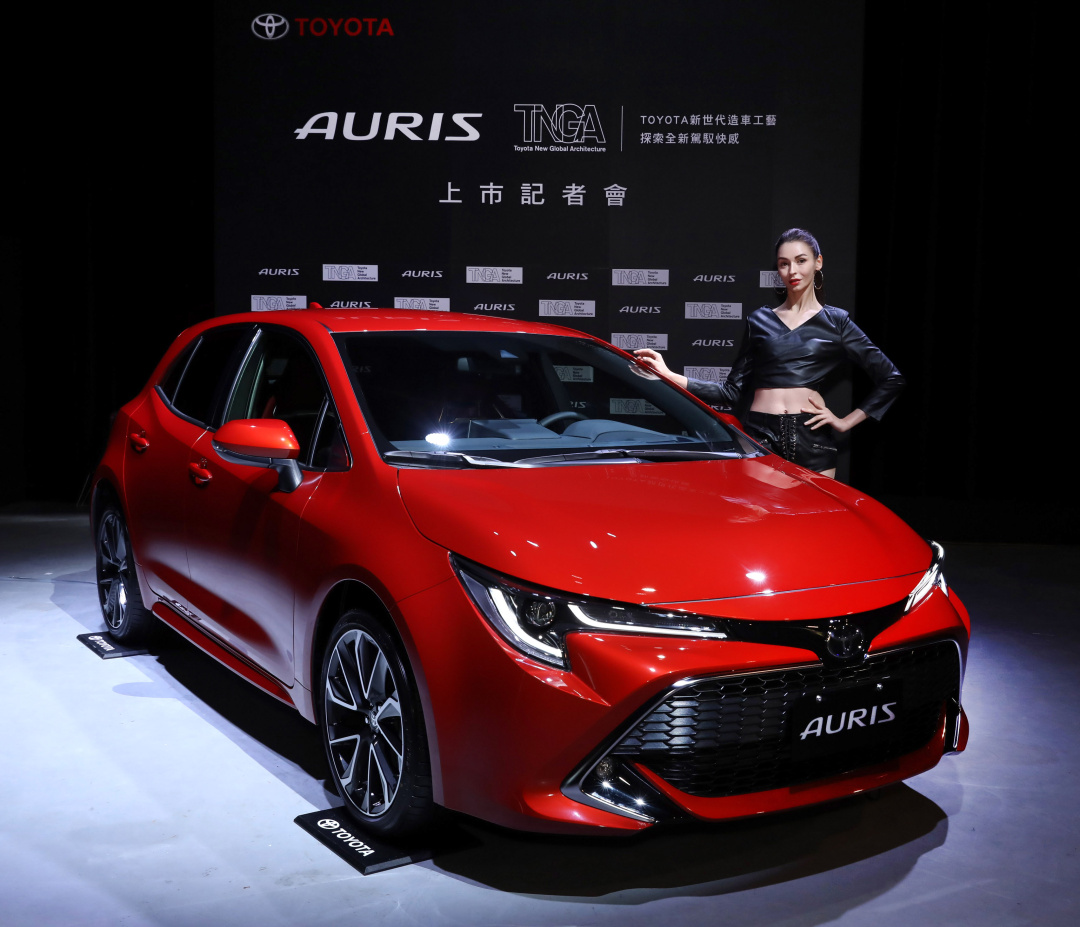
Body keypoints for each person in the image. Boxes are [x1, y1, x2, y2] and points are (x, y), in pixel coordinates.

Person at [633, 228, 904, 478]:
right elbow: (731, 393)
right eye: (784, 264)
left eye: (801, 261)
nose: (792, 270)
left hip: (812, 439)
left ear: (818, 262)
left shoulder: (836, 322)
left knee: (813, 517)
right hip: (761, 437)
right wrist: (667, 375)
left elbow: (891, 378)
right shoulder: (759, 321)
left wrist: (845, 422)